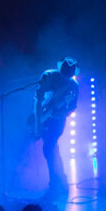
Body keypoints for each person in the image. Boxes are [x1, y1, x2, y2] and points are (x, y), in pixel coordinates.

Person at [34, 57, 80, 198]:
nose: (66, 78)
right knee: (52, 149)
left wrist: (63, 112)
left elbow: (72, 107)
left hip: (57, 121)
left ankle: (54, 183)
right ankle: (61, 180)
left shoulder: (73, 86)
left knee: (49, 147)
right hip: (40, 116)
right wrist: (37, 124)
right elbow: (38, 100)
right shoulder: (47, 76)